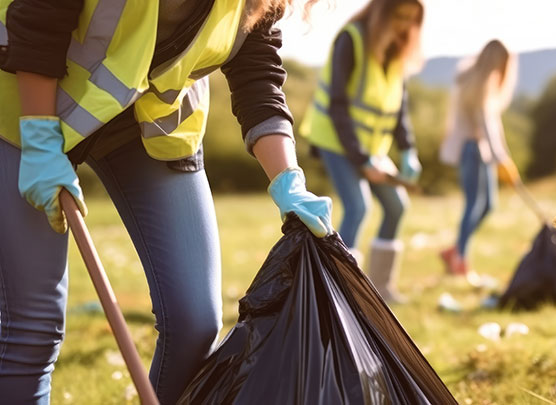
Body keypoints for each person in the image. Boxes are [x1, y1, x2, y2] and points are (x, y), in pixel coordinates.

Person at [0, 0, 332, 403]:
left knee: (195, 324)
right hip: (25, 102)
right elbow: (39, 16)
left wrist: (288, 181)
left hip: (145, 125)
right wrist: (38, 139)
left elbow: (257, 72)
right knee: (32, 328)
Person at [299, 0, 424, 304]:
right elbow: (338, 105)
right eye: (399, 16)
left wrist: (408, 150)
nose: (404, 25)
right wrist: (362, 161)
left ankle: (381, 288)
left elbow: (399, 108)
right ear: (382, 12)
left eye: (411, 19)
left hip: (370, 148)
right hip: (336, 141)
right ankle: (342, 293)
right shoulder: (351, 39)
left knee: (396, 207)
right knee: (358, 207)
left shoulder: (397, 51)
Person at [439, 39, 520, 276]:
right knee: (473, 205)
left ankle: (455, 250)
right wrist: (502, 159)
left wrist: (501, 157)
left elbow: (492, 124)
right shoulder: (477, 82)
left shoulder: (476, 79)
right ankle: (460, 261)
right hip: (471, 149)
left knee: (487, 206)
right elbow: (486, 124)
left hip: (480, 149)